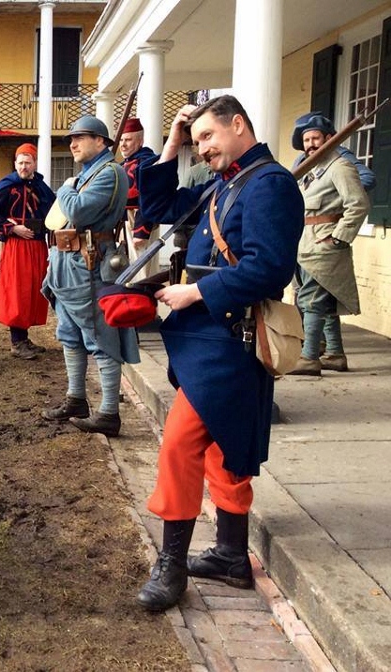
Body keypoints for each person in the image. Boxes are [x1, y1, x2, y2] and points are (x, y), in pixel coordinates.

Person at [134, 95, 304, 611]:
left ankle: (172, 566)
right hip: (211, 337)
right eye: (198, 139)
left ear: (238, 125)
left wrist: (196, 292)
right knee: (221, 447)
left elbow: (270, 268)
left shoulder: (270, 184)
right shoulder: (227, 180)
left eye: (209, 136)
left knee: (180, 444)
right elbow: (161, 209)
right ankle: (231, 556)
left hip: (231, 338)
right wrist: (172, 143)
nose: (203, 147)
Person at [40, 115, 136, 437]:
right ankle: (76, 399)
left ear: (101, 142)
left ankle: (109, 413)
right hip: (69, 265)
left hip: (89, 265)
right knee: (70, 334)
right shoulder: (88, 175)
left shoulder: (109, 173)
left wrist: (64, 189)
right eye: (71, 138)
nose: (72, 143)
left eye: (80, 137)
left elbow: (78, 211)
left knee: (100, 336)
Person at [289, 112, 372, 375]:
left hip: (324, 243)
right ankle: (335, 354)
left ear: (328, 139)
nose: (311, 144)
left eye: (316, 138)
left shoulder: (340, 166)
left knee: (312, 301)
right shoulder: (308, 170)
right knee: (320, 300)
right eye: (306, 140)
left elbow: (358, 204)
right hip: (304, 243)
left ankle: (309, 357)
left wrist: (338, 236)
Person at [0, 143, 56, 359]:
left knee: (31, 292)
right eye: (20, 163)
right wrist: (13, 229)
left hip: (38, 246)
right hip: (17, 248)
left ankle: (23, 338)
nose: (23, 167)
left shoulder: (41, 187)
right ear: (15, 164)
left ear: (34, 164)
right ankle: (16, 343)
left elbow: (54, 210)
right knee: (18, 292)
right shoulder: (7, 186)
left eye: (27, 163)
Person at [119, 118, 159, 280]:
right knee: (126, 268)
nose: (123, 144)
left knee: (141, 272)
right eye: (121, 140)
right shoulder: (124, 164)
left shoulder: (148, 162)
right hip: (125, 221)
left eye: (128, 139)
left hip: (140, 220)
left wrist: (141, 231)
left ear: (140, 141)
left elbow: (150, 197)